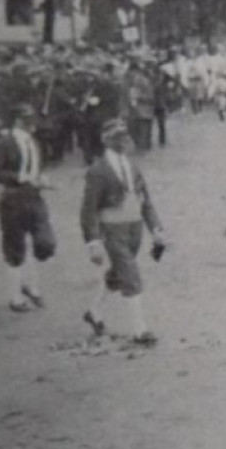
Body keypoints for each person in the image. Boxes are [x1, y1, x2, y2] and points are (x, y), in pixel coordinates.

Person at [80, 119, 165, 346]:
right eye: (117, 137)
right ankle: (139, 330)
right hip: (112, 228)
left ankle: (94, 312)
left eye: (125, 136)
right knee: (130, 274)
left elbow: (145, 200)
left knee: (119, 274)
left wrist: (156, 228)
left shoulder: (133, 166)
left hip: (134, 227)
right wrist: (93, 241)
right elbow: (88, 209)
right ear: (106, 140)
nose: (123, 141)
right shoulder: (97, 171)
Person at [0, 102, 57, 312]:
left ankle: (30, 285)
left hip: (35, 197)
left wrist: (43, 178)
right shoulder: (4, 143)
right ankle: (17, 296)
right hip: (12, 198)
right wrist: (19, 177)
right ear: (18, 121)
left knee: (46, 242)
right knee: (14, 248)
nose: (33, 124)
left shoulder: (34, 141)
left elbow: (39, 166)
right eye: (28, 120)